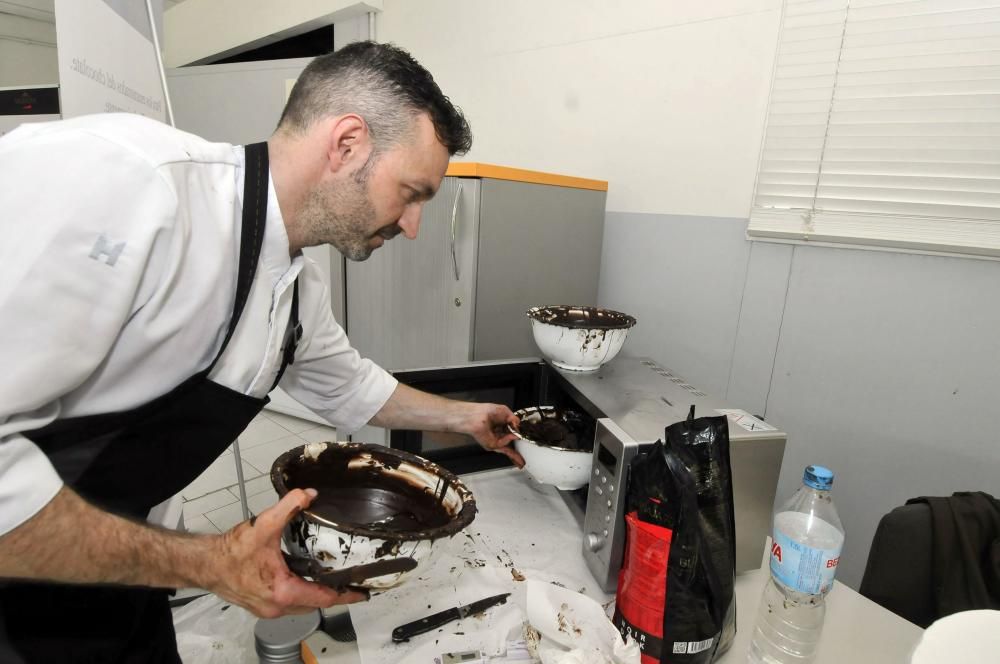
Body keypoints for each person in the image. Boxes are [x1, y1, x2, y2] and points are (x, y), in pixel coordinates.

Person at [0, 41, 524, 663]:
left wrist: (464, 417)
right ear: (347, 143)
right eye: (412, 193)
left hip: (111, 564)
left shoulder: (299, 285)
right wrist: (210, 564)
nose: (412, 226)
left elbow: (350, 386)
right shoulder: (128, 184)